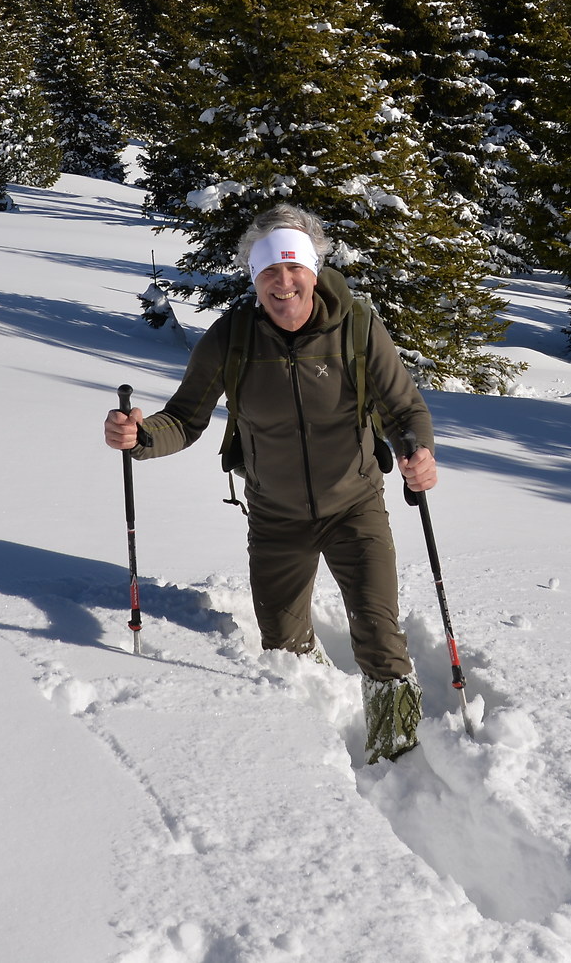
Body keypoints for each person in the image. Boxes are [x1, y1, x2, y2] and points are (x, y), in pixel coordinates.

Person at [105, 203, 438, 763]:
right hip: (276, 517)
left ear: (313, 269)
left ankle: (399, 756)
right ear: (254, 278)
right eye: (268, 273)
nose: (283, 284)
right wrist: (139, 438)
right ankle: (308, 739)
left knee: (381, 638)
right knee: (283, 644)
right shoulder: (232, 338)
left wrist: (419, 452)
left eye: (293, 269)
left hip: (354, 506)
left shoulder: (357, 327)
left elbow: (404, 409)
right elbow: (183, 420)